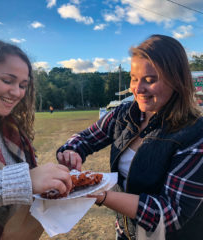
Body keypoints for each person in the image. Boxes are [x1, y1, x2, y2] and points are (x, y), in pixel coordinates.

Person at [57, 34, 203, 240]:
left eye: (150, 80)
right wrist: (71, 151)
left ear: (176, 81)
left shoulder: (196, 133)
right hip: (127, 232)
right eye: (134, 78)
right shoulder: (124, 114)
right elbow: (85, 138)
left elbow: (171, 214)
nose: (138, 88)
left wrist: (103, 196)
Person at [0, 40, 72, 240]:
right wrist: (24, 181)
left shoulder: (13, 130)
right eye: (7, 81)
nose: (17, 92)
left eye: (23, 85)